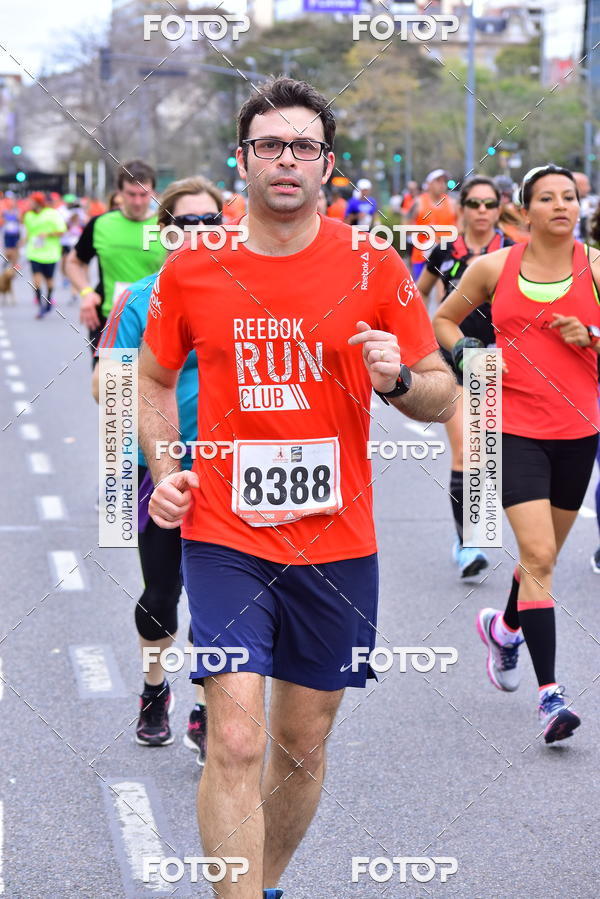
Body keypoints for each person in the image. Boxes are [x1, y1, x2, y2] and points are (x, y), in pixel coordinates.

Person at [139, 76, 455, 898]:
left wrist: (395, 382)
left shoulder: (374, 266)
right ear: (241, 162)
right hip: (224, 534)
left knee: (301, 746)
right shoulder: (194, 268)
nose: (287, 159)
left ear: (327, 164)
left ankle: (262, 881)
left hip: (337, 541)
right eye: (270, 145)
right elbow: (150, 376)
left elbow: (441, 393)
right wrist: (168, 472)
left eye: (303, 146)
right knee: (236, 740)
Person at [434, 164, 600, 744]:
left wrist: (592, 337)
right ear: (523, 211)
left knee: (542, 557)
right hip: (511, 428)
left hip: (579, 431)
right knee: (537, 553)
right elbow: (444, 320)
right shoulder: (493, 267)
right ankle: (550, 697)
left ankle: (505, 630)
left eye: (570, 196)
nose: (562, 205)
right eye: (547, 198)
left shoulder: (597, 268)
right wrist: (473, 354)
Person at [93, 176, 223, 764]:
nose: (199, 233)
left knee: (220, 598)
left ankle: (207, 709)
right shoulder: (141, 298)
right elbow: (107, 389)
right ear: (166, 230)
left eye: (210, 222)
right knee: (162, 592)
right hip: (161, 467)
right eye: (187, 222)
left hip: (228, 469)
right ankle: (154, 690)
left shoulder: (247, 296)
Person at [417, 175, 513, 578]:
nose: (482, 212)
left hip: (500, 362)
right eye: (474, 204)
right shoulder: (444, 253)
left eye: (489, 204)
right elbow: (419, 293)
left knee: (487, 456)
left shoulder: (513, 251)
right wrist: (418, 339)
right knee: (468, 449)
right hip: (453, 358)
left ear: (499, 207)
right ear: (462, 208)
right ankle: (469, 543)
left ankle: (478, 532)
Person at [66, 160, 165, 362]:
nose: (138, 201)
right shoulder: (101, 224)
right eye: (131, 194)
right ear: (119, 192)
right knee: (114, 391)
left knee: (151, 391)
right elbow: (73, 262)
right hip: (110, 322)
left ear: (153, 192)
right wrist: (86, 293)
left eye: (143, 194)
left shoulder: (166, 227)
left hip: (156, 324)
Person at [22, 191, 66, 318]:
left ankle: (48, 301)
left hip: (50, 253)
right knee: (36, 281)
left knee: (49, 281)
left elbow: (62, 231)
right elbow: (29, 233)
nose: (29, 203)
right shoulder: (28, 216)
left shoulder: (52, 214)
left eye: (31, 201)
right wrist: (22, 243)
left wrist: (48, 234)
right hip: (34, 252)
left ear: (38, 202)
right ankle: (40, 306)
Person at [408, 170, 457, 280]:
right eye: (438, 181)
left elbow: (461, 229)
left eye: (444, 181)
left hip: (445, 255)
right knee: (419, 292)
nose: (442, 184)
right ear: (429, 184)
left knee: (444, 291)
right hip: (421, 255)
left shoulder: (452, 203)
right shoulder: (418, 202)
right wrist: (425, 231)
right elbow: (405, 227)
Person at [495, 175, 529, 244]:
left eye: (506, 194)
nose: (503, 198)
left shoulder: (521, 211)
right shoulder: (492, 214)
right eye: (501, 195)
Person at [1, 192, 21, 270]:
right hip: (8, 233)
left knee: (15, 250)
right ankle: (8, 261)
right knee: (9, 252)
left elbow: (21, 221)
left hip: (15, 234)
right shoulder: (4, 210)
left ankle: (14, 266)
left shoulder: (17, 211)